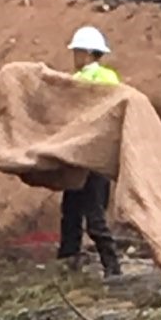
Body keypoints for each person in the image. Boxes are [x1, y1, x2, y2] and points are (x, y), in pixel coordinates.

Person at [58, 25, 122, 280]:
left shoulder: (81, 81)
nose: (74, 58)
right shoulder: (112, 78)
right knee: (78, 210)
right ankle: (71, 261)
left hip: (83, 159)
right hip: (100, 157)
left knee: (83, 213)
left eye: (76, 53)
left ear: (85, 53)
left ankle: (110, 266)